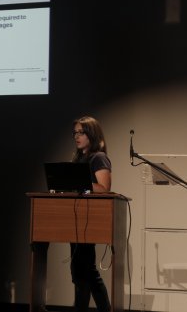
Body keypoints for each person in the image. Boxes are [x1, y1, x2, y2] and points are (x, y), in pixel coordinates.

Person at [69, 115, 112, 312]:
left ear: (91, 134)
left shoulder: (98, 157)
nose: (77, 136)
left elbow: (104, 189)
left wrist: (79, 183)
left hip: (89, 220)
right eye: (75, 133)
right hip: (76, 219)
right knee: (80, 270)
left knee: (86, 270)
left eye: (81, 132)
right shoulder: (78, 158)